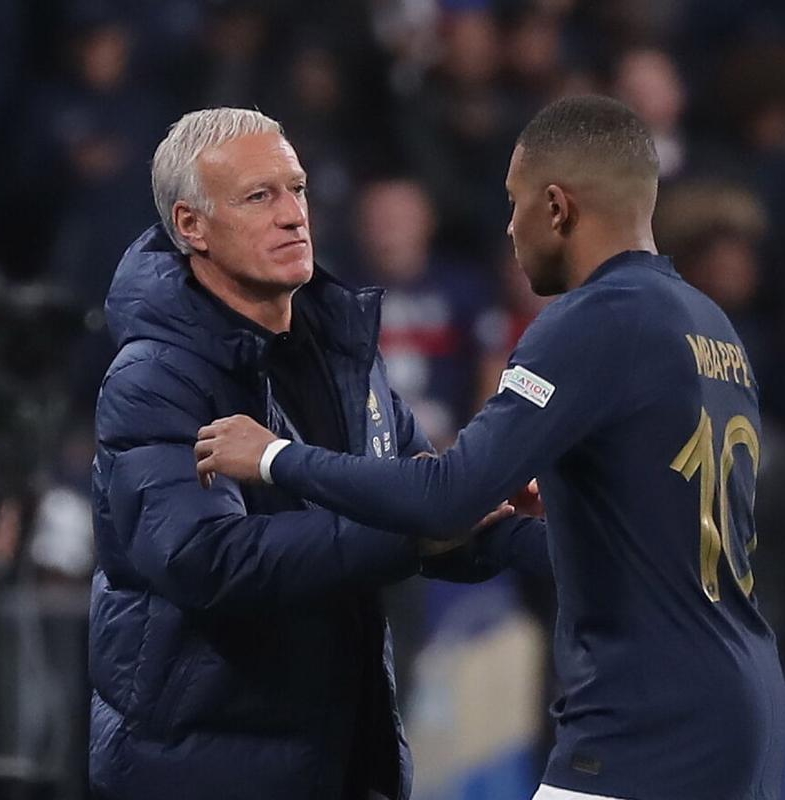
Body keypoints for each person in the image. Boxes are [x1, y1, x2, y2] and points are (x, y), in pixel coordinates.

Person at [196, 96, 785, 800]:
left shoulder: (593, 321)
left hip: (647, 722)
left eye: (515, 204)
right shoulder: (711, 327)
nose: (508, 227)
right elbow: (645, 554)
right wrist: (502, 536)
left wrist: (273, 457)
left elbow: (450, 491)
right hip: (740, 702)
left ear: (557, 207)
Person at [88, 108, 542, 800]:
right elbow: (209, 560)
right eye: (259, 196)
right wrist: (418, 529)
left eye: (296, 189)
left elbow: (423, 512)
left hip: (342, 756)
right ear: (191, 227)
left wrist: (508, 515)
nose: (293, 215)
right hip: (204, 769)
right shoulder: (157, 376)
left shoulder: (344, 354)